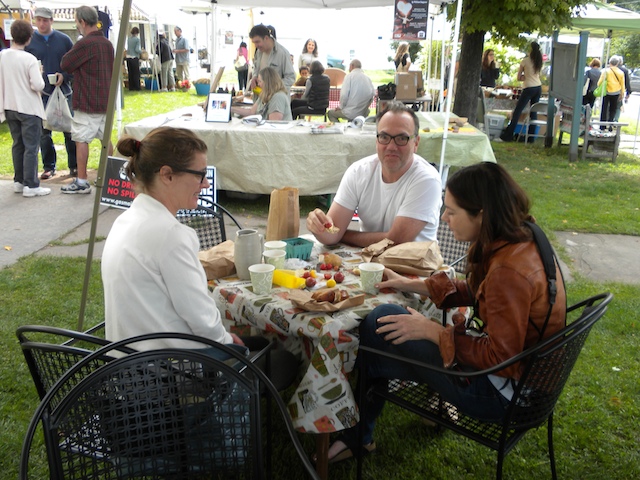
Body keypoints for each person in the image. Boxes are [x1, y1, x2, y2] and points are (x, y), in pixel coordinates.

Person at [322, 161, 567, 463]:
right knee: (382, 329)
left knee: (378, 325)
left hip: (504, 396)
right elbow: (483, 291)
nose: (444, 218)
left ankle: (354, 432)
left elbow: (499, 360)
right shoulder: (521, 236)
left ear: (482, 214)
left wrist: (435, 332)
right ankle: (361, 430)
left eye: (452, 211)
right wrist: (412, 285)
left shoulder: (509, 271)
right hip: (526, 382)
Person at [103, 127, 297, 390]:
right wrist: (225, 339)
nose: (206, 184)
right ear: (167, 175)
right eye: (200, 175)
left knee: (256, 347)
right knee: (286, 361)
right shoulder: (170, 234)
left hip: (128, 371)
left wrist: (222, 335)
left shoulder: (125, 221)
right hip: (169, 378)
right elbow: (202, 320)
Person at [307, 101, 441, 247]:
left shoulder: (426, 180)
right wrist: (318, 226)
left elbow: (395, 242)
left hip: (414, 266)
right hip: (369, 264)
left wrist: (342, 235)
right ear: (376, 140)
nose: (391, 146)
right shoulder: (358, 172)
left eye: (402, 139)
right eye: (384, 137)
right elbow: (331, 234)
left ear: (416, 143)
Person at [60, 5, 114, 194]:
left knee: (81, 139)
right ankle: (110, 178)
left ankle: (82, 181)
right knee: (105, 140)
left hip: (87, 100)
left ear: (82, 22)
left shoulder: (84, 44)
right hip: (106, 99)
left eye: (77, 22)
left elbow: (65, 64)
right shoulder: (107, 43)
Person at [26, 6, 77, 180]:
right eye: (39, 20)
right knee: (44, 132)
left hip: (64, 91)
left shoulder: (63, 40)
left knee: (69, 130)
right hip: (41, 93)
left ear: (51, 21)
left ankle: (75, 165)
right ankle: (49, 166)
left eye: (45, 20)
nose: (41, 23)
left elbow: (74, 64)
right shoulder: (30, 41)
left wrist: (64, 76)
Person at [0, 19, 50, 197]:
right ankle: (31, 184)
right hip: (28, 107)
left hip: (9, 105)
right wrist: (41, 73)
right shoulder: (29, 59)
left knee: (18, 144)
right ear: (29, 38)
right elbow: (38, 85)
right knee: (31, 146)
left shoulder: (3, 55)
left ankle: (19, 181)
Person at [500, 41, 542, 142]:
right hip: (538, 87)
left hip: (528, 87)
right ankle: (531, 137)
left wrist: (525, 77)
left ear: (530, 50)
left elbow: (519, 77)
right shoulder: (539, 61)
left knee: (518, 111)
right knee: (533, 112)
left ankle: (509, 134)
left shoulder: (525, 61)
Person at [247, 24, 295, 93]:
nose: (256, 45)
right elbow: (256, 68)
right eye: (254, 43)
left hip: (276, 100)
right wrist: (254, 77)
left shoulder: (283, 53)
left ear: (266, 38)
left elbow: (291, 77)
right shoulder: (258, 52)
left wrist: (274, 87)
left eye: (257, 42)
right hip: (260, 98)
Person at [597, 56, 625, 129]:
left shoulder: (606, 71)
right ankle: (610, 125)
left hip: (606, 92)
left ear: (610, 62)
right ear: (618, 63)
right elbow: (622, 84)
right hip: (616, 93)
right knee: (613, 109)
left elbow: (600, 82)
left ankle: (602, 126)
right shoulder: (621, 72)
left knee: (604, 108)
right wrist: (622, 94)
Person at [613, 55, 631, 122]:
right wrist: (628, 92)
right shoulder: (625, 70)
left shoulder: (611, 69)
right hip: (620, 90)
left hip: (610, 89)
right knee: (618, 106)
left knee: (610, 105)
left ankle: (609, 119)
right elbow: (627, 82)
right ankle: (616, 120)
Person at [125, 26, 142, 91]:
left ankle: (131, 87)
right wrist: (141, 51)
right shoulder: (137, 40)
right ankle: (137, 87)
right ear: (137, 32)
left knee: (130, 73)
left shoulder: (129, 39)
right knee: (136, 73)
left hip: (128, 57)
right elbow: (137, 49)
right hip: (134, 57)